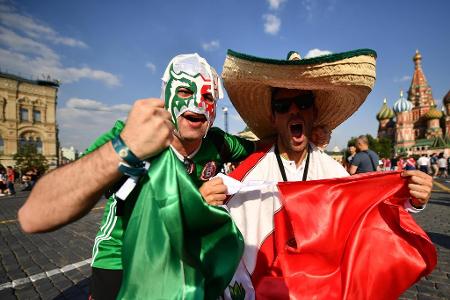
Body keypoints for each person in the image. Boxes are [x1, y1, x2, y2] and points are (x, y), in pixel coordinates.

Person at [201, 48, 435, 299]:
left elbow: (371, 225)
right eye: (282, 105)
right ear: (273, 116)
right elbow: (215, 244)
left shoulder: (335, 175)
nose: (294, 111)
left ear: (314, 112)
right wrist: (203, 207)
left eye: (303, 103)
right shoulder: (244, 177)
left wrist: (410, 200)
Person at [19, 54, 256, 299]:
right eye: (185, 91)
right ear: (166, 97)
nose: (197, 102)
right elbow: (33, 216)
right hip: (124, 261)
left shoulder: (217, 143)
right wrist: (126, 148)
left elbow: (266, 148)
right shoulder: (131, 136)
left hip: (183, 255)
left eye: (208, 97)